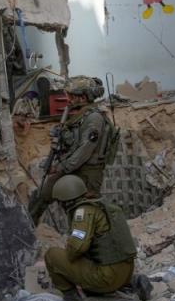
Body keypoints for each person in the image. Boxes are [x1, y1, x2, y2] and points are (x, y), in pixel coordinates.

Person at [44, 175, 149, 301]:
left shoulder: (83, 212)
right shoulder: (102, 205)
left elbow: (76, 248)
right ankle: (132, 282)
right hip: (127, 271)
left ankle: (73, 299)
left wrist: (68, 252)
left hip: (108, 278)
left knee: (52, 255)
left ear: (65, 200)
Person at [30, 76, 114, 225]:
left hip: (88, 173)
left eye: (70, 95)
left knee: (85, 212)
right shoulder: (81, 116)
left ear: (82, 97)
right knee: (43, 194)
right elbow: (75, 144)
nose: (67, 98)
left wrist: (62, 167)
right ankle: (29, 224)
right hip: (75, 167)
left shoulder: (94, 118)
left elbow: (84, 151)